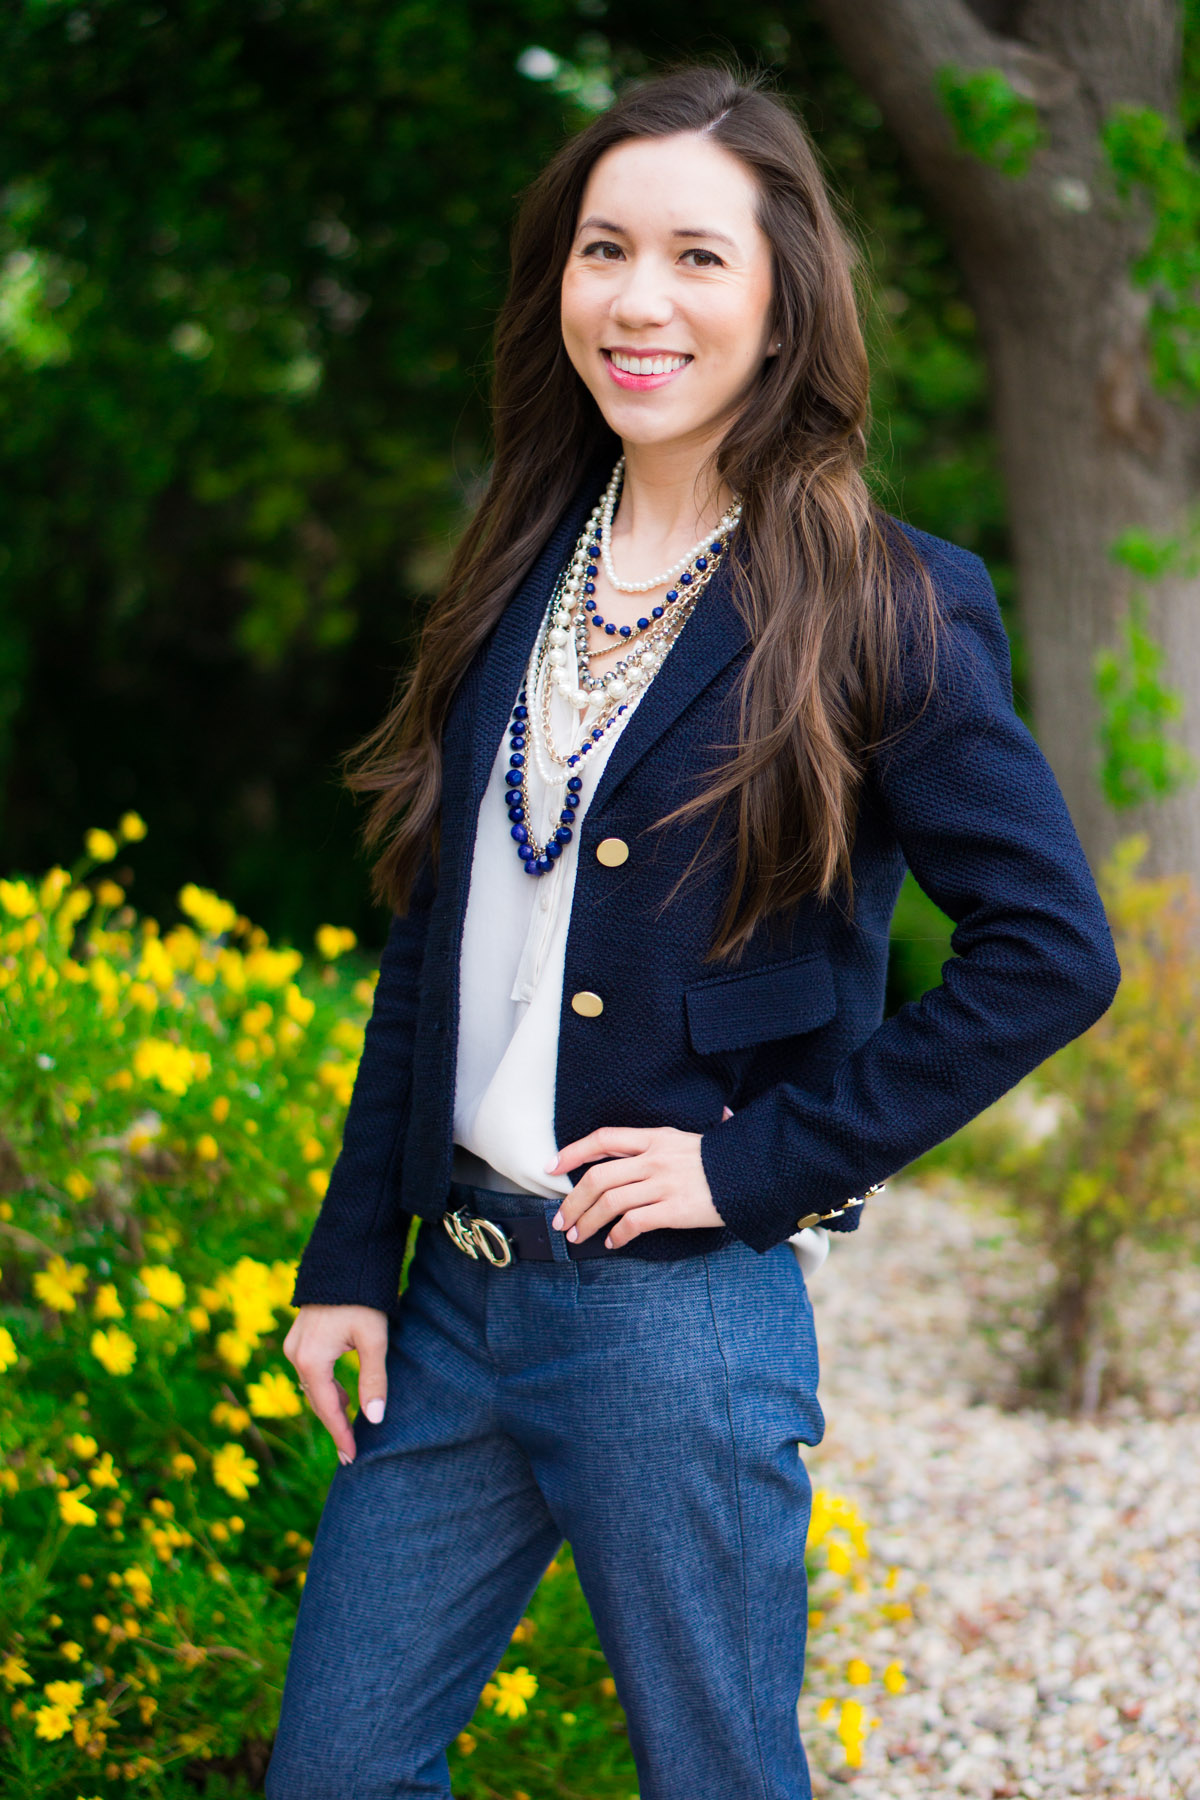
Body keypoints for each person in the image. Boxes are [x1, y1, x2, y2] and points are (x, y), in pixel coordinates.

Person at [264, 60, 1120, 1800]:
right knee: (335, 1772)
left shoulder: (881, 597)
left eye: (696, 257)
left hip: (675, 1322)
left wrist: (764, 1166)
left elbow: (1051, 950)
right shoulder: (525, 562)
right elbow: (436, 936)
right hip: (454, 1303)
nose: (637, 300)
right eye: (602, 250)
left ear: (785, 297)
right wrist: (352, 1259)